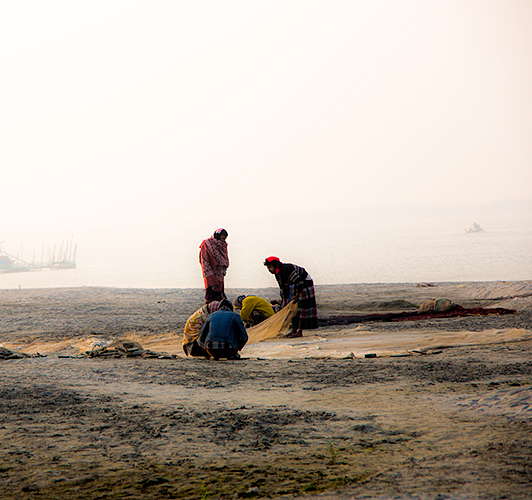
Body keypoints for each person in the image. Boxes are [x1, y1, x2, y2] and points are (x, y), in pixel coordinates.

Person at [263, 256, 319, 338]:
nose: (269, 270)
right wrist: (284, 301)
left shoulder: (286, 270)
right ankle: (293, 330)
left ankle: (300, 331)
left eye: (270, 267)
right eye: (268, 268)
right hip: (296, 285)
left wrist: (297, 296)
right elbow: (283, 288)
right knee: (293, 308)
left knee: (302, 307)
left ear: (275, 265)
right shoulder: (277, 274)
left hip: (305, 283)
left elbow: (299, 282)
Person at [199, 228, 229, 304]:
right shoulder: (207, 243)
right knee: (211, 289)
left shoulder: (223, 245)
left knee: (219, 290)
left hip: (219, 271)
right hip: (210, 269)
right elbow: (204, 257)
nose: (223, 239)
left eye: (225, 237)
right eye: (222, 236)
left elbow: (224, 258)